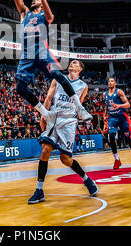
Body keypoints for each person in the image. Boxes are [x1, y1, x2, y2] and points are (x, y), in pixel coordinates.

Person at [1, 0, 92, 124]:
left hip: (42, 52)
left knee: (58, 75)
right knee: (20, 89)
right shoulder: (25, 13)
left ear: (42, 4)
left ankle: (80, 108)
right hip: (28, 55)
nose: (34, 0)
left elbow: (51, 18)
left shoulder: (44, 15)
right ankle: (45, 113)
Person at [28, 59, 98, 204]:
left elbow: (79, 105)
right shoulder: (58, 79)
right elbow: (48, 97)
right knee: (45, 149)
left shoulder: (83, 86)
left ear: (80, 69)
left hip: (69, 122)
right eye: (71, 62)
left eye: (75, 63)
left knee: (65, 159)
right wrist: (43, 116)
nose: (72, 64)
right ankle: (39, 190)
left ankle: (87, 180)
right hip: (54, 117)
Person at [103, 77, 131, 170]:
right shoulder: (105, 94)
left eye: (112, 81)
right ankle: (117, 159)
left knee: (127, 137)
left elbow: (128, 104)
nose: (110, 83)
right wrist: (104, 115)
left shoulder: (119, 92)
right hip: (112, 118)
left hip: (121, 117)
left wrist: (119, 105)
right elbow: (106, 106)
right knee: (111, 136)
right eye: (109, 81)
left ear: (115, 83)